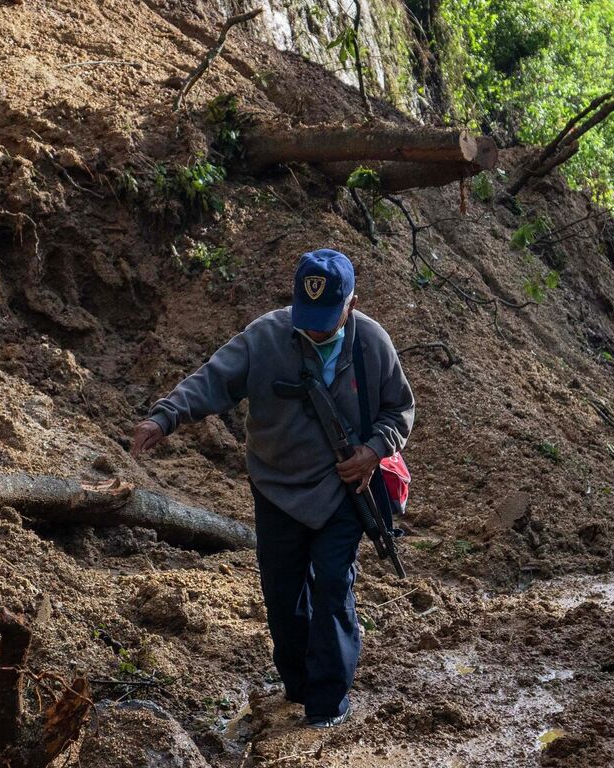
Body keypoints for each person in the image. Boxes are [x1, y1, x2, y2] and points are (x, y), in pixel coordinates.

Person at [130, 249, 415, 729]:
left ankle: (327, 704)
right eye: (309, 319)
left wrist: (374, 450)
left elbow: (399, 410)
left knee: (333, 587)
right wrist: (165, 415)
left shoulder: (372, 343)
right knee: (283, 595)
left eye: (328, 319)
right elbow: (212, 379)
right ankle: (298, 684)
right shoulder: (265, 336)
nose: (317, 329)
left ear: (351, 304)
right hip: (276, 487)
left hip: (345, 490)